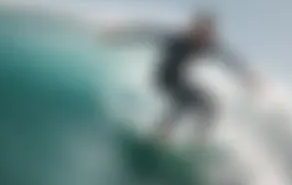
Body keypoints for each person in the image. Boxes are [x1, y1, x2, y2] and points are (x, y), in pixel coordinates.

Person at [102, 9, 259, 144]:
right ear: (193, 28)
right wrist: (120, 34)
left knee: (212, 106)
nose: (201, 35)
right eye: (198, 29)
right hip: (163, 77)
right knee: (183, 102)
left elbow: (229, 58)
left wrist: (246, 77)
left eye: (206, 32)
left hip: (180, 80)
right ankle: (161, 134)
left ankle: (199, 139)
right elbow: (148, 33)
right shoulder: (177, 38)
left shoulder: (208, 46)